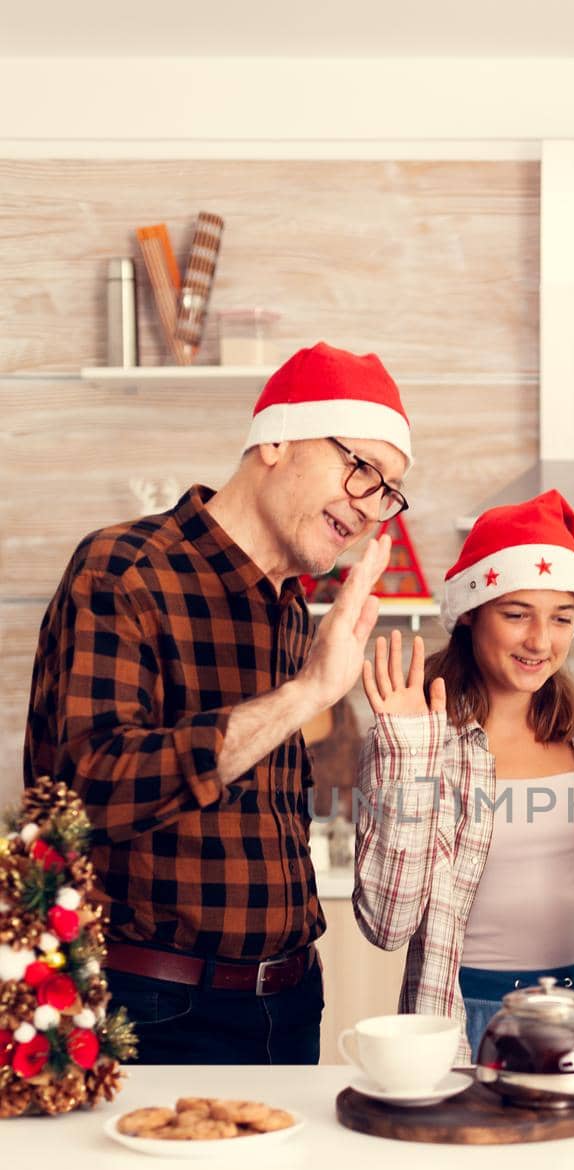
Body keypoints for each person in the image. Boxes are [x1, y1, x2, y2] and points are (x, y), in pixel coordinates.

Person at [24, 342, 410, 1066]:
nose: (368, 506)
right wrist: (305, 695)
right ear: (273, 440)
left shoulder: (290, 609)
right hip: (152, 1010)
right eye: (360, 468)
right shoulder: (125, 569)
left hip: (288, 1004)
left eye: (387, 490)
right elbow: (88, 790)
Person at [353, 490, 574, 1064]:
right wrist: (406, 756)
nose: (540, 642)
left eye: (561, 617)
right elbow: (387, 925)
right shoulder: (417, 740)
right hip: (468, 1020)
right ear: (471, 612)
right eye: (517, 613)